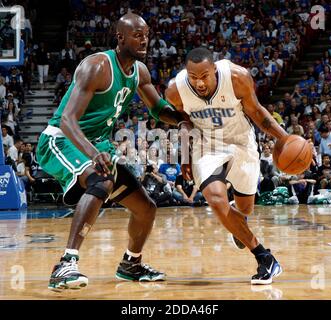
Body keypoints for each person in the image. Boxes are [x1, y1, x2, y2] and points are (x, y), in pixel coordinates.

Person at [36, 13, 184, 291]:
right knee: (101, 178)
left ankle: (131, 264)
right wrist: (94, 153)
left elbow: (158, 108)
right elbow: (68, 120)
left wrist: (184, 120)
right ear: (120, 37)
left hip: (96, 145)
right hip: (60, 139)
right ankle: (65, 263)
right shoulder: (98, 66)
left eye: (147, 34)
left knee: (146, 208)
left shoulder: (139, 71)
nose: (144, 39)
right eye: (137, 34)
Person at [165, 47, 290, 285]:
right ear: (186, 73)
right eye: (193, 77)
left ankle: (237, 221)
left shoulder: (236, 77)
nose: (199, 83)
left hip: (242, 142)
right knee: (216, 200)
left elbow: (257, 113)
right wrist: (184, 155)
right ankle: (265, 257)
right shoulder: (175, 90)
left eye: (204, 76)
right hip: (207, 145)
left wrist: (284, 138)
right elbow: (183, 120)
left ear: (214, 69)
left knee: (245, 210)